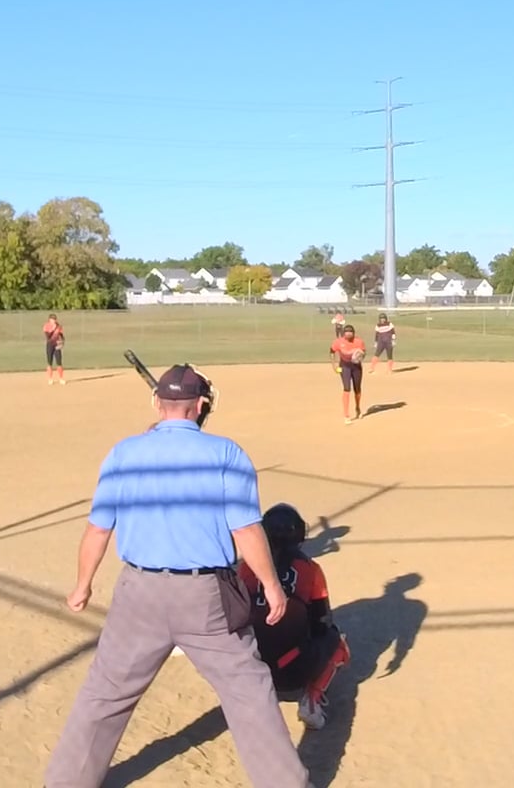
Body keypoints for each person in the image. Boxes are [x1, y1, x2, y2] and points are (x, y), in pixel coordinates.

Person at [44, 365, 308, 788]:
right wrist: (272, 586)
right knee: (249, 691)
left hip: (138, 593)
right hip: (205, 597)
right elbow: (246, 530)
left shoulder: (124, 453)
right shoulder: (226, 453)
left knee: (107, 691)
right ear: (201, 406)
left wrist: (82, 585)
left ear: (157, 403)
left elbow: (98, 529)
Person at [237, 503, 353, 730]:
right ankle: (312, 700)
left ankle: (246, 699)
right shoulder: (311, 569)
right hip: (293, 671)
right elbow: (321, 622)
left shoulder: (246, 567)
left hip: (250, 665)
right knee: (336, 641)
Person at [330, 324, 367, 422]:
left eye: (351, 332)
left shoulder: (359, 342)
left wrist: (360, 356)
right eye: (347, 332)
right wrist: (334, 365)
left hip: (356, 367)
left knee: (357, 389)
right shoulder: (338, 342)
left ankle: (357, 408)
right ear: (343, 333)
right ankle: (346, 415)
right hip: (344, 366)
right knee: (347, 388)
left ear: (354, 333)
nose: (349, 334)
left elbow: (363, 353)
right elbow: (332, 351)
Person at [43, 313, 66, 385]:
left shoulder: (59, 326)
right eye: (52, 319)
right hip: (50, 345)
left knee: (59, 362)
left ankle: (61, 378)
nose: (54, 320)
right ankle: (50, 379)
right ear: (49, 319)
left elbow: (61, 335)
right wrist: (53, 329)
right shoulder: (46, 326)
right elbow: (48, 337)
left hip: (57, 345)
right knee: (49, 362)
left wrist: (62, 341)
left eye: (55, 319)